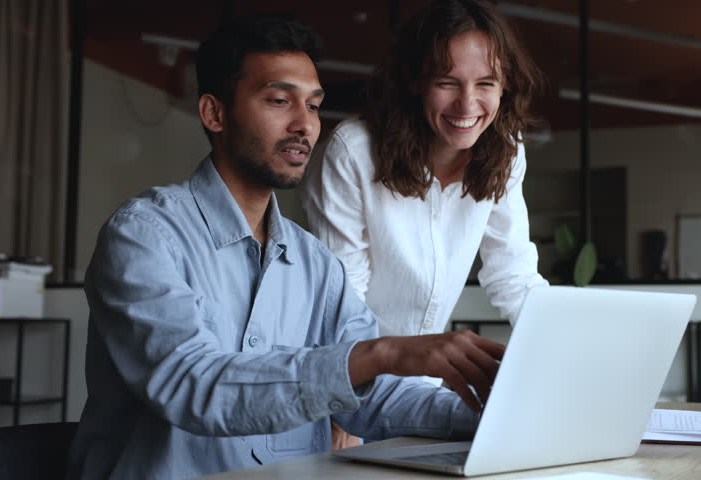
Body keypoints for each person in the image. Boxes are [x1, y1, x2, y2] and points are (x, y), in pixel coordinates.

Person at [67, 16, 505, 480]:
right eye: (279, 101)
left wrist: (497, 413)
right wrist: (382, 352)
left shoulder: (315, 263)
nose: (305, 124)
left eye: (314, 106)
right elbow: (193, 386)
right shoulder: (143, 236)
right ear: (214, 113)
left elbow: (375, 397)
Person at [300, 0, 547, 448]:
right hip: (356, 385)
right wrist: (342, 413)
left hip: (428, 388)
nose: (468, 104)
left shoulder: (506, 153)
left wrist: (574, 355)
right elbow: (342, 304)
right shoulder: (354, 152)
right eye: (447, 82)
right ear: (415, 81)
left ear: (505, 86)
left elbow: (513, 276)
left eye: (485, 83)